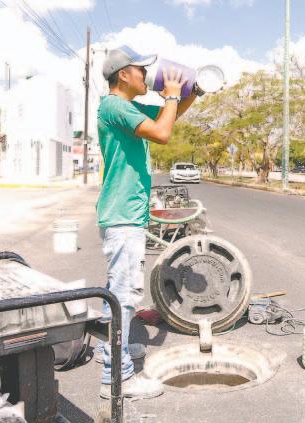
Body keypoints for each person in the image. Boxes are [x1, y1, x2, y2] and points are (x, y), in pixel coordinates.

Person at [95, 45, 200, 399]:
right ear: (123, 74)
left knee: (117, 290)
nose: (146, 75)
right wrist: (169, 93)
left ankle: (116, 349)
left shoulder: (129, 107)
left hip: (125, 214)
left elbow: (170, 117)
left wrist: (191, 92)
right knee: (125, 296)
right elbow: (162, 134)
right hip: (122, 215)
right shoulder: (114, 106)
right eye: (141, 70)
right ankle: (117, 377)